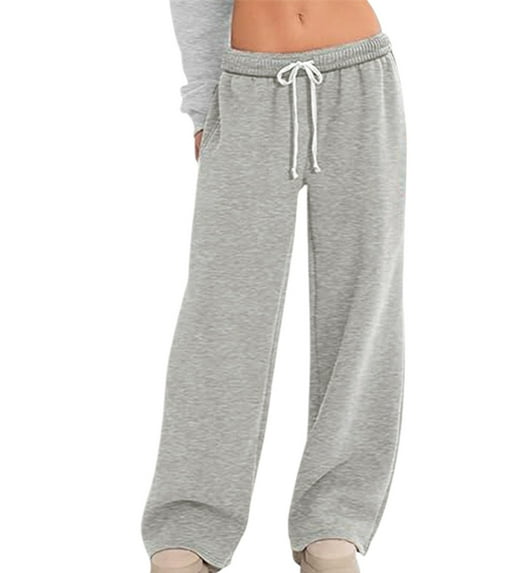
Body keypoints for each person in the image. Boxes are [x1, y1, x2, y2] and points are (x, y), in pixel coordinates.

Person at [140, 1, 407, 572]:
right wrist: (204, 103)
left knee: (363, 304)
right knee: (221, 310)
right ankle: (191, 520)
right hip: (248, 88)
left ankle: (335, 518)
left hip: (360, 77)